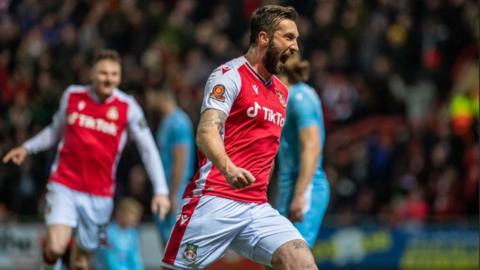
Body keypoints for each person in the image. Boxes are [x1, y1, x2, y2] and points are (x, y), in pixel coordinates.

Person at [162, 5, 318, 270]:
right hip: (214, 200)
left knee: (301, 261)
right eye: (289, 37)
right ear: (264, 38)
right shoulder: (229, 76)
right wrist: (228, 168)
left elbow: (268, 152)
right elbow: (206, 131)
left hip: (256, 207)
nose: (296, 47)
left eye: (297, 39)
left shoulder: (281, 93)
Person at [2, 49, 171, 270]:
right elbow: (54, 131)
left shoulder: (128, 107)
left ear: (119, 76)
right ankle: (47, 264)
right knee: (55, 246)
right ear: (92, 73)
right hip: (65, 184)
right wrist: (27, 148)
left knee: (81, 262)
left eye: (114, 74)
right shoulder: (73, 96)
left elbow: (148, 148)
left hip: (100, 195)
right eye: (103, 73)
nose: (108, 78)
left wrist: (160, 190)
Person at [277, 55, 330, 248]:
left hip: (306, 187)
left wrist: (300, 194)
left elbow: (312, 146)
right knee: (274, 260)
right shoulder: (283, 99)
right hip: (287, 188)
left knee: (295, 258)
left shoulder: (301, 97)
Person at [147, 87, 195, 245]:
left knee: (174, 245)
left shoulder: (178, 122)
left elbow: (181, 160)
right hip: (165, 188)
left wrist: (174, 194)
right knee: (166, 244)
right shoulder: (166, 121)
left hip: (175, 189)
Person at [96, 197, 145, 270]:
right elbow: (107, 256)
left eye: (136, 217)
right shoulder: (106, 232)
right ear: (120, 214)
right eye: (132, 215)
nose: (135, 219)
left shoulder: (133, 234)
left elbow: (135, 257)